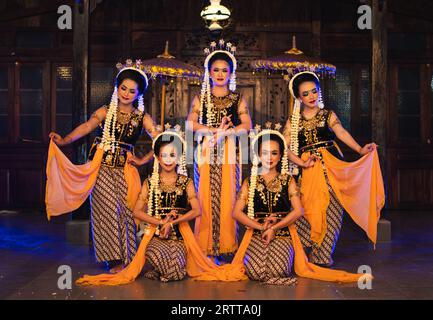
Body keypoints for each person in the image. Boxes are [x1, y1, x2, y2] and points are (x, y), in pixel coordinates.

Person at [46, 59, 161, 273]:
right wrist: (64, 140)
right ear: (117, 88)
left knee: (127, 213)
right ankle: (114, 260)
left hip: (126, 172)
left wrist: (143, 160)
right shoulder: (106, 111)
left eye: (132, 91)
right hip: (101, 169)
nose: (126, 94)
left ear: (138, 95)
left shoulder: (141, 118)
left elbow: (163, 141)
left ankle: (129, 258)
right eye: (123, 88)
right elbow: (87, 126)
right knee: (106, 211)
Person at [231, 125, 370, 284]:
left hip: (282, 233)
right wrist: (262, 227)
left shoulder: (288, 181)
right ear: (258, 155)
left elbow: (298, 211)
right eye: (265, 153)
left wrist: (274, 227)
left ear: (281, 155)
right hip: (257, 233)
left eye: (274, 153)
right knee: (255, 271)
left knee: (278, 270)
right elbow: (236, 213)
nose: (269, 158)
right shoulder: (250, 182)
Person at [283, 71, 385, 267]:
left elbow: (341, 132)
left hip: (332, 168)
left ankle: (322, 256)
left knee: (333, 212)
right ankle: (301, 250)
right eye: (306, 94)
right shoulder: (293, 121)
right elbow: (283, 147)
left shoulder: (327, 115)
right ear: (298, 97)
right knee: (307, 211)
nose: (311, 96)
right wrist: (301, 163)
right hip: (309, 171)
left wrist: (360, 149)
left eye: (314, 91)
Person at [186, 39, 252, 262]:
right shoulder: (201, 98)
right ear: (209, 72)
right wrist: (213, 130)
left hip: (229, 150)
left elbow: (247, 126)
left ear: (231, 72)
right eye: (216, 70)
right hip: (206, 149)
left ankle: (226, 246)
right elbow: (190, 124)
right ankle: (204, 247)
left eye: (225, 70)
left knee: (228, 197)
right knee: (204, 197)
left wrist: (227, 134)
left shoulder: (237, 98)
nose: (221, 74)